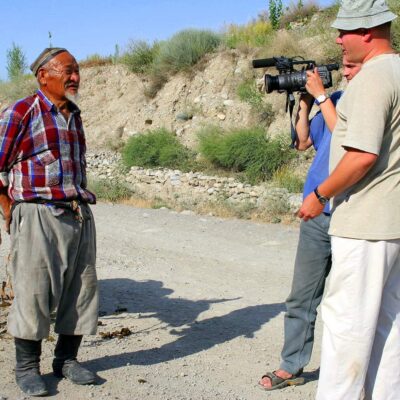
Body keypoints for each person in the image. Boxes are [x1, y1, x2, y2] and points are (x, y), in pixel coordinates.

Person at [297, 1, 400, 398]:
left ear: (369, 32)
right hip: (389, 222)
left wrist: (319, 194)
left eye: (345, 32)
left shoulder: (373, 78)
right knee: (388, 330)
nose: (338, 39)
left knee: (347, 330)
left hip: (364, 224)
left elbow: (362, 154)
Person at [0, 48, 98, 397]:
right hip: (38, 212)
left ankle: (67, 360)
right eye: (68, 71)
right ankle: (27, 367)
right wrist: (8, 208)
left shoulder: (74, 114)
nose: (75, 77)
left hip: (78, 212)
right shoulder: (21, 111)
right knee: (34, 292)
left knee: (81, 290)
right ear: (44, 75)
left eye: (77, 71)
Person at [259, 58, 361, 390]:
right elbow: (303, 141)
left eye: (350, 66)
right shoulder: (335, 100)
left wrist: (319, 97)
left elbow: (349, 138)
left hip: (353, 213)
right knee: (302, 296)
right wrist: (304, 101)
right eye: (342, 67)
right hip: (318, 216)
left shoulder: (370, 100)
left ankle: (353, 373)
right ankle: (292, 365)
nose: (344, 71)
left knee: (350, 302)